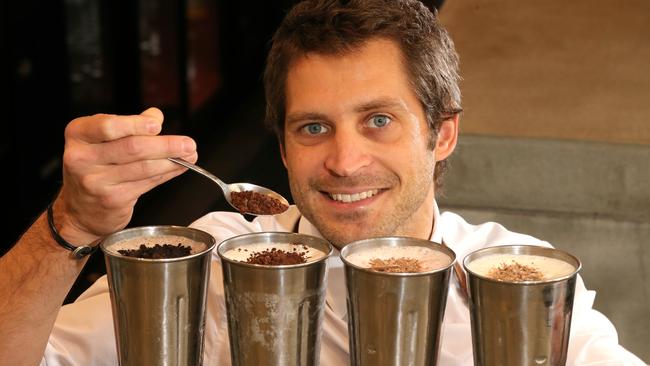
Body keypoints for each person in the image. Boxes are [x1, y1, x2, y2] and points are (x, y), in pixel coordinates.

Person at [0, 0, 645, 365]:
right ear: (279, 146)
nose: (343, 161)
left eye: (379, 120)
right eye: (312, 128)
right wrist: (71, 227)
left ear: (442, 133)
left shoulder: (512, 280)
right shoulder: (219, 256)